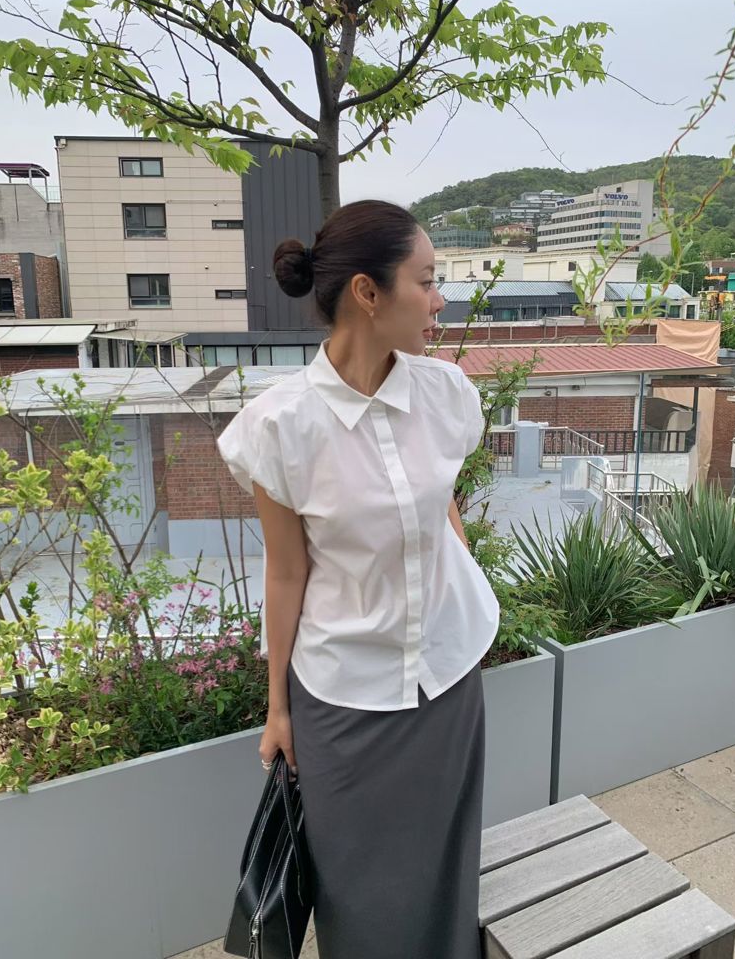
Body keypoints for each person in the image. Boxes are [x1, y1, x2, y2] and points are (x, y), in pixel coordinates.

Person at [217, 200, 500, 959]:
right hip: (343, 697)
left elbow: (441, 508)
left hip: (447, 680)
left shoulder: (446, 394)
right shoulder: (280, 427)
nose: (440, 301)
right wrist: (278, 710)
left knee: (446, 873)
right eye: (427, 281)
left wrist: (459, 601)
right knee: (358, 893)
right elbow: (287, 573)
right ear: (369, 293)